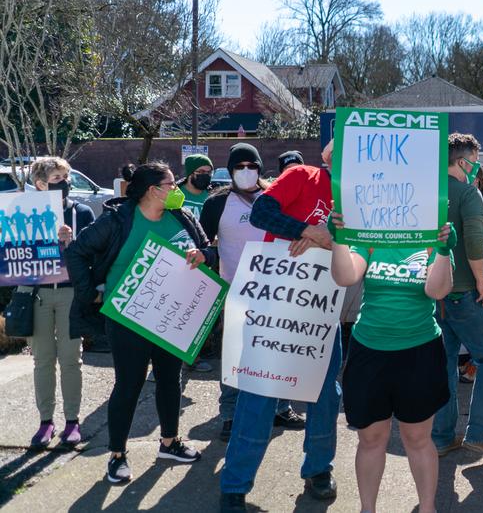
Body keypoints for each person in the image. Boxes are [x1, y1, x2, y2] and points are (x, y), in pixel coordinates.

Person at [65, 162, 211, 484]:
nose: (177, 190)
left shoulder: (182, 217)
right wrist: (91, 293)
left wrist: (205, 257)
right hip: (128, 318)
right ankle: (117, 455)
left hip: (170, 315)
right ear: (151, 190)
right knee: (128, 385)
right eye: (171, 184)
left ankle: (170, 443)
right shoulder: (118, 220)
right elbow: (76, 252)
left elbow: (207, 250)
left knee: (170, 380)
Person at [221, 142, 339, 511]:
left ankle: (318, 470)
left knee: (324, 395)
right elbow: (262, 212)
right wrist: (308, 230)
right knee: (258, 395)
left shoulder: (362, 198)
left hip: (322, 308)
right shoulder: (302, 175)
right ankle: (235, 486)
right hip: (276, 301)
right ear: (329, 156)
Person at [330, 215, 455, 513]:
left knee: (417, 438)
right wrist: (339, 239)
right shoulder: (371, 233)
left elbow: (437, 292)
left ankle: (427, 508)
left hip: (419, 350)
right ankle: (367, 509)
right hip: (370, 350)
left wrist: (442, 250)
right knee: (371, 438)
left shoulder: (431, 232)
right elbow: (346, 277)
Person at [200, 144, 304, 442]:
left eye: (252, 166)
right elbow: (204, 241)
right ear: (230, 170)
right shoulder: (217, 203)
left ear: (260, 168)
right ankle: (231, 414)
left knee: (277, 350)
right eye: (239, 166)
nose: (246, 171)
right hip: (235, 289)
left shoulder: (274, 198)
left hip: (275, 288)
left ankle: (280, 407)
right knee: (234, 354)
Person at [432, 133, 483, 458]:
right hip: (466, 292)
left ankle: (441, 436)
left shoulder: (432, 193)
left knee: (445, 362)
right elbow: (475, 239)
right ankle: (481, 434)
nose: (478, 166)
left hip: (434, 294)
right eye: (475, 160)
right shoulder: (468, 193)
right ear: (464, 162)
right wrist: (481, 281)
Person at [27, 157, 95, 449]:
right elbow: (14, 256)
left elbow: (94, 255)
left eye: (65, 177)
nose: (64, 183)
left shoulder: (82, 212)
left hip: (70, 293)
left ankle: (72, 420)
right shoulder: (25, 212)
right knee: (42, 360)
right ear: (40, 183)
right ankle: (45, 421)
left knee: (71, 359)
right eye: (57, 177)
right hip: (37, 294)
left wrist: (71, 242)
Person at [179, 153, 214, 220]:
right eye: (201, 172)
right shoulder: (175, 193)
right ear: (190, 174)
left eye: (209, 172)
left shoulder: (212, 197)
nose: (206, 175)